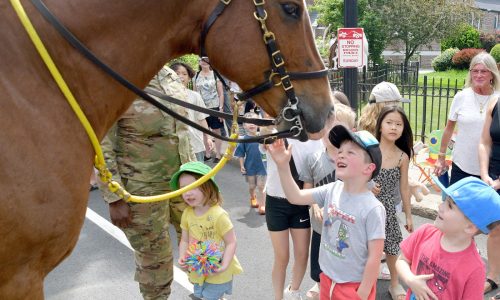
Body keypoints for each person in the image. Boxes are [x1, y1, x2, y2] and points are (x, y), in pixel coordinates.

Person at [98, 66, 195, 299]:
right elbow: (102, 146)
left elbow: (181, 132)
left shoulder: (170, 76)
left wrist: (198, 178)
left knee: (199, 247)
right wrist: (114, 196)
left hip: (185, 183)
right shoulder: (119, 80)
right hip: (143, 190)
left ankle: (206, 292)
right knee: (155, 261)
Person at [268, 125, 386, 300]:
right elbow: (295, 196)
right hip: (327, 280)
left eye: (351, 152)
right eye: (341, 150)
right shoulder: (333, 189)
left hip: (352, 287)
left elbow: (374, 258)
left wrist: (361, 293)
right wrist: (283, 166)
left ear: (368, 168)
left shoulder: (373, 208)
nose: (341, 154)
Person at [396, 176, 500, 300]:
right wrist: (410, 279)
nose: (440, 206)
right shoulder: (425, 232)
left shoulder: (474, 269)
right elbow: (402, 260)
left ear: (470, 227)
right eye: (445, 200)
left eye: (450, 206)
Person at [300, 103, 356, 300]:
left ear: (351, 132)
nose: (330, 131)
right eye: (327, 125)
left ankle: (339, 285)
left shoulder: (355, 159)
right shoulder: (313, 158)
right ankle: (320, 283)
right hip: (320, 226)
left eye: (337, 126)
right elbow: (308, 188)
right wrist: (314, 205)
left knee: (343, 257)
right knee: (318, 262)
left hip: (346, 226)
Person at [261, 120, 321, 300]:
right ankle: (278, 297)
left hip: (300, 202)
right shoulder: (276, 134)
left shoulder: (317, 137)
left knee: (302, 255)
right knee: (282, 257)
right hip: (276, 201)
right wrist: (268, 128)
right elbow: (264, 135)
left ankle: (293, 292)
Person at [172, 161, 243, 300]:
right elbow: (185, 239)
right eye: (183, 189)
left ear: (208, 186)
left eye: (194, 187)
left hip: (217, 271)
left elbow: (231, 242)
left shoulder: (219, 215)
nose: (188, 193)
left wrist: (224, 265)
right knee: (199, 292)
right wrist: (182, 256)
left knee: (208, 297)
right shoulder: (187, 213)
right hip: (198, 268)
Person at [434, 52, 500, 186]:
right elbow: (448, 129)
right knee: (455, 206)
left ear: (492, 74)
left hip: (490, 171)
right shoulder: (461, 97)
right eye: (475, 71)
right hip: (461, 166)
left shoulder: (497, 100)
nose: (478, 75)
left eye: (483, 71)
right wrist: (441, 158)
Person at [372, 105, 414, 300]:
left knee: (391, 247)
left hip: (387, 207)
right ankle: (363, 283)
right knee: (363, 247)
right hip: (364, 205)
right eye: (389, 122)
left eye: (399, 124)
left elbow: (404, 188)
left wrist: (408, 215)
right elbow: (352, 174)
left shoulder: (402, 156)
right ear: (380, 125)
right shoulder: (368, 149)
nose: (394, 127)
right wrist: (366, 186)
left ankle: (394, 284)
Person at [479, 95, 500, 297]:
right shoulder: (495, 103)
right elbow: (485, 142)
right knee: (496, 229)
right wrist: (485, 174)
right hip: (493, 175)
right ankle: (493, 277)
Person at [170, 62, 210, 162]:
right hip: (173, 145)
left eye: (184, 74)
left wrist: (208, 138)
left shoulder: (195, 96)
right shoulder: (166, 96)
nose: (181, 76)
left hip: (195, 144)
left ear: (189, 78)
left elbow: (201, 119)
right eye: (177, 73)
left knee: (198, 175)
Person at [234, 112, 267, 215]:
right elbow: (240, 154)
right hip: (250, 167)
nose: (252, 124)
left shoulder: (263, 137)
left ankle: (262, 204)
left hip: (263, 167)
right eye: (249, 122)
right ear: (244, 125)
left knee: (262, 186)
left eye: (254, 122)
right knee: (252, 186)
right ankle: (253, 197)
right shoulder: (243, 140)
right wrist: (242, 166)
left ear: (258, 124)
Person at [193, 56, 225, 163]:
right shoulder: (196, 76)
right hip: (202, 107)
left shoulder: (216, 75)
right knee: (204, 131)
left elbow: (221, 94)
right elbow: (195, 93)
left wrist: (221, 109)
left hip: (215, 107)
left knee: (216, 131)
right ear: (199, 62)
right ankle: (207, 153)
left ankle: (218, 153)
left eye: (207, 60)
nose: (205, 62)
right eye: (202, 60)